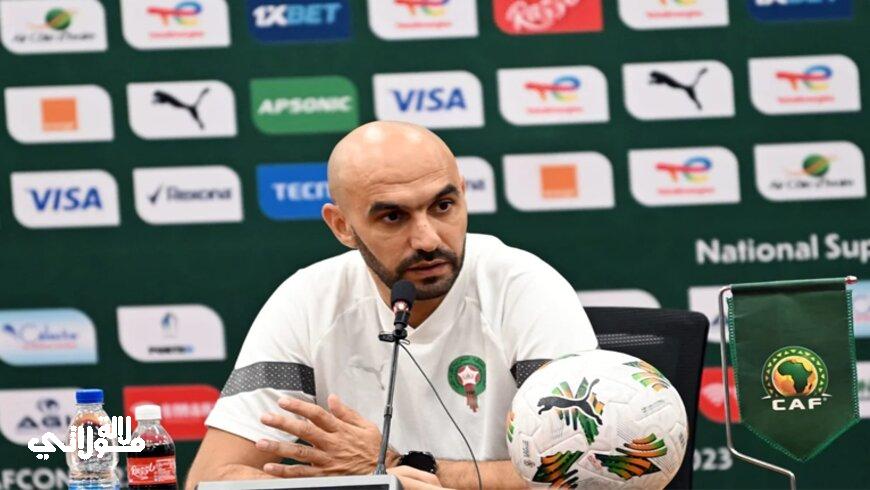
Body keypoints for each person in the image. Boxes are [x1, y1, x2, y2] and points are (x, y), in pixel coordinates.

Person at [185, 121, 598, 489]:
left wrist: (396, 470)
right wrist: (359, 483)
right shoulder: (307, 300)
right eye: (393, 217)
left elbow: (590, 472)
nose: (428, 239)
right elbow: (211, 478)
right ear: (342, 226)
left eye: (443, 206)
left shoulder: (525, 287)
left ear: (464, 196)